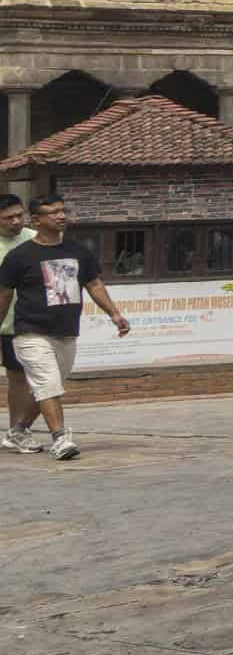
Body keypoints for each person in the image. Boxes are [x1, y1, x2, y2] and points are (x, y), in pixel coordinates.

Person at [0, 190, 129, 464]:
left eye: (63, 211)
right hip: (29, 331)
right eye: (53, 212)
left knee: (49, 386)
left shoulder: (77, 251)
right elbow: (4, 296)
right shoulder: (19, 256)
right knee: (47, 383)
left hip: (66, 332)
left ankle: (18, 431)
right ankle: (60, 438)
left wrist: (115, 314)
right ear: (36, 220)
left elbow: (93, 284)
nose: (61, 216)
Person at [0, 191, 40, 453]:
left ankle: (16, 431)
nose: (15, 222)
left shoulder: (35, 239)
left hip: (22, 323)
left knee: (20, 379)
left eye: (19, 215)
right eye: (7, 218)